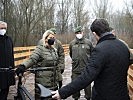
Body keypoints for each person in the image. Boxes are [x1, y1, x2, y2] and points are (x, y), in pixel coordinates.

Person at [52, 18, 130, 100]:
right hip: (123, 95)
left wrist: (62, 92)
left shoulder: (100, 49)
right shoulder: (123, 46)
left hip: (104, 96)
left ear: (94, 33)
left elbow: (86, 77)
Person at [15, 30, 60, 99]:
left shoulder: (54, 50)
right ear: (45, 38)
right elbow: (32, 59)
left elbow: (57, 66)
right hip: (43, 83)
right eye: (51, 37)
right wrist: (23, 66)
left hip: (54, 83)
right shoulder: (40, 49)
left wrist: (59, 79)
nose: (52, 39)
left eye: (53, 37)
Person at [69, 26, 93, 100]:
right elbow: (71, 54)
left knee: (88, 87)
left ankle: (88, 97)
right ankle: (76, 97)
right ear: (75, 34)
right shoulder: (72, 43)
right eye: (77, 33)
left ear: (83, 33)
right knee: (75, 86)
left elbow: (92, 54)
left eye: (80, 32)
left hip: (86, 69)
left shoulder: (88, 42)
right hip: (75, 69)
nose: (79, 34)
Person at [0, 21, 15, 100]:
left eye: (5, 28)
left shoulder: (9, 39)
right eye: (1, 28)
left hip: (8, 70)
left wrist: (13, 68)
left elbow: (12, 55)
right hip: (0, 69)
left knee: (5, 90)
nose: (3, 30)